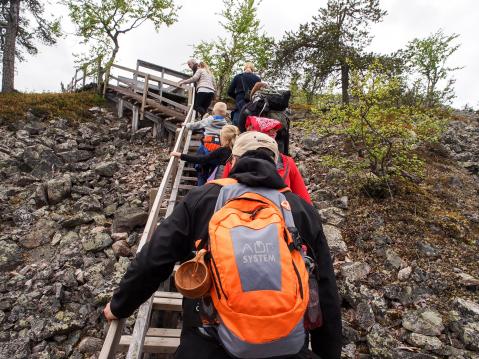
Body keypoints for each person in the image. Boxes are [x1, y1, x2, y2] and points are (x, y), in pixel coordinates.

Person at [103, 131, 342, 359]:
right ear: (277, 163)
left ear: (234, 159)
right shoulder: (300, 208)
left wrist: (120, 305)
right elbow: (325, 287)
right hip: (287, 345)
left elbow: (155, 258)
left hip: (208, 342)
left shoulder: (202, 197)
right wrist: (327, 351)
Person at [222, 116, 312, 204]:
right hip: (278, 214)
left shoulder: (235, 159)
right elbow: (305, 200)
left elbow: (223, 190)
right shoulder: (286, 162)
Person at [170, 125, 239, 184]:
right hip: (234, 180)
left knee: (202, 170)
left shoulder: (222, 150)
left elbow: (202, 159)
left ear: (224, 139)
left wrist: (181, 155)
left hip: (222, 180)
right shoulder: (239, 151)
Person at [227, 62, 261, 126]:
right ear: (252, 69)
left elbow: (229, 91)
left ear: (244, 68)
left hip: (240, 100)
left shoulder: (238, 77)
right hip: (252, 102)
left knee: (237, 122)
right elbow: (258, 92)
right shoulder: (257, 79)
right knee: (250, 122)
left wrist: (236, 97)